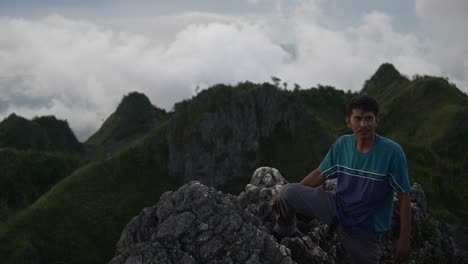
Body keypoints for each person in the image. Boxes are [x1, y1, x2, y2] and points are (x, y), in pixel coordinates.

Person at [272, 94, 411, 263]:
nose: (363, 124)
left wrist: (404, 238)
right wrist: (294, 193)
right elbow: (320, 174)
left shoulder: (392, 153)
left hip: (364, 230)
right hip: (336, 209)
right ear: (348, 121)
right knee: (287, 192)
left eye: (369, 119)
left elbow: (404, 194)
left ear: (376, 121)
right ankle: (285, 230)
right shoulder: (342, 145)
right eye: (358, 118)